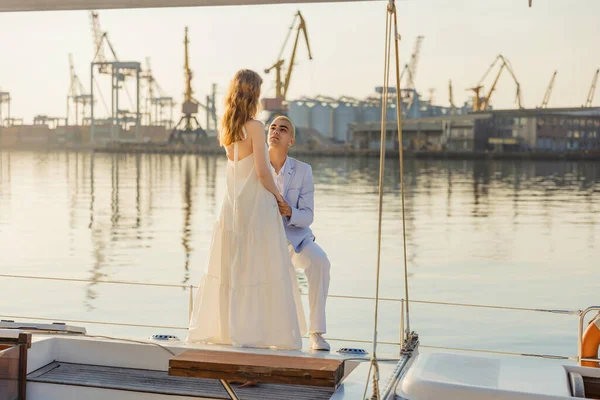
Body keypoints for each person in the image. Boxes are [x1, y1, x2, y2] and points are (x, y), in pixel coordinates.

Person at [187, 70, 306, 351]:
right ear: (253, 93)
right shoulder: (254, 126)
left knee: (234, 267)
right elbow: (263, 173)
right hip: (256, 204)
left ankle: (230, 330)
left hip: (232, 204)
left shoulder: (226, 126)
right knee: (263, 265)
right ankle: (260, 333)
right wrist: (279, 198)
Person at [268, 116, 331, 351]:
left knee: (320, 262)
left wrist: (289, 211)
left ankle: (316, 333)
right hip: (264, 241)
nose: (276, 131)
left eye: (282, 129)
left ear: (290, 140)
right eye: (272, 127)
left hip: (296, 239)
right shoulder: (256, 165)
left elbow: (308, 216)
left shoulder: (304, 171)